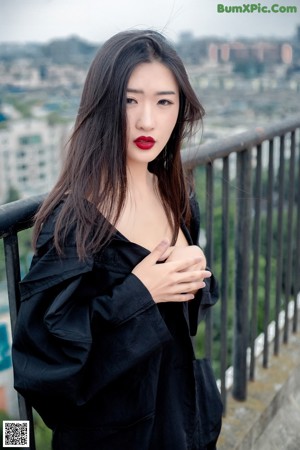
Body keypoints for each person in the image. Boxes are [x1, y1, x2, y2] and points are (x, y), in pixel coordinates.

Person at [12, 29, 222, 450]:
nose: (147, 120)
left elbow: (182, 324)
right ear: (103, 105)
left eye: (164, 101)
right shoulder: (73, 221)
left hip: (180, 420)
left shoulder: (176, 196)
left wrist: (193, 276)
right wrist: (139, 293)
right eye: (130, 100)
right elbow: (45, 364)